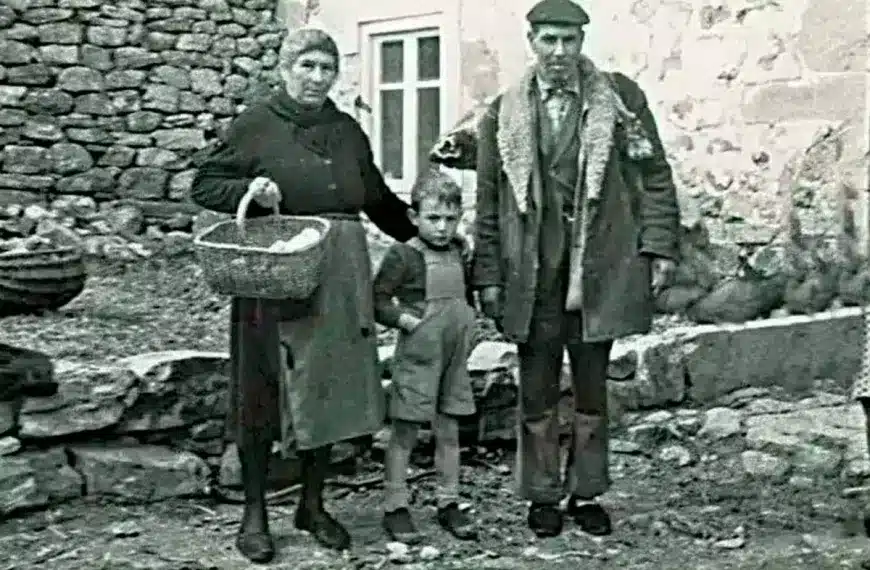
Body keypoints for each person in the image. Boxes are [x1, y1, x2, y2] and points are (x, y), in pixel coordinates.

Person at [190, 28, 417, 563]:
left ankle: (312, 505)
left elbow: (378, 199)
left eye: (326, 69)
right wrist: (249, 191)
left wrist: (428, 234)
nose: (316, 79)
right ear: (284, 67)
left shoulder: (346, 131)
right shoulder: (256, 125)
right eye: (306, 66)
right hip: (274, 271)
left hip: (338, 274)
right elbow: (203, 184)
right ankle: (254, 514)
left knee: (326, 389)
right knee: (261, 390)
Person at [473, 0, 681, 538]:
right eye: (549, 40)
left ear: (582, 43)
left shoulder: (619, 100)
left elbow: (654, 174)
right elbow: (489, 201)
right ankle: (542, 495)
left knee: (591, 392)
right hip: (533, 274)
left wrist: (659, 247)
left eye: (569, 40)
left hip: (598, 270)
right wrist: (490, 276)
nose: (559, 52)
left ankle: (586, 492)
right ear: (532, 42)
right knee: (537, 392)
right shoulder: (504, 112)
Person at [372, 168, 478, 544]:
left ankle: (449, 501)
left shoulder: (461, 252)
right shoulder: (404, 255)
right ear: (414, 217)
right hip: (418, 354)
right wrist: (407, 322)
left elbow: (468, 296)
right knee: (405, 431)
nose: (442, 228)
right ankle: (395, 506)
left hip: (454, 356)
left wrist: (472, 323)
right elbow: (377, 299)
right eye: (433, 218)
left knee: (449, 430)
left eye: (451, 219)